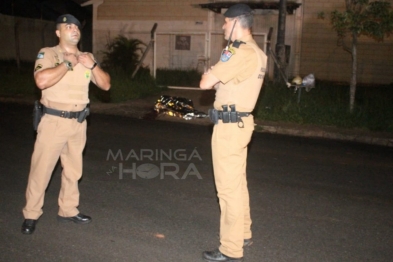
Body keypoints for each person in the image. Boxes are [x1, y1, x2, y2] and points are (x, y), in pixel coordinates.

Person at [21, 14, 111, 235]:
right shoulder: (49, 53)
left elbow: (106, 85)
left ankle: (68, 210)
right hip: (53, 121)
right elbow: (41, 80)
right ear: (58, 32)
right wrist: (66, 63)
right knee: (41, 170)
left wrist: (94, 65)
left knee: (73, 171)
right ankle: (31, 214)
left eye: (77, 27)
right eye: (68, 26)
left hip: (79, 122)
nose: (74, 29)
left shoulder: (87, 57)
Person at [199, 4, 267, 262]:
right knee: (238, 184)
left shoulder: (237, 52)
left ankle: (230, 247)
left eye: (226, 23)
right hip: (242, 123)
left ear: (237, 22)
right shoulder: (258, 54)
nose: (223, 27)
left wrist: (212, 75)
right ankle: (244, 233)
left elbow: (205, 83)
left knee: (227, 190)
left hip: (229, 127)